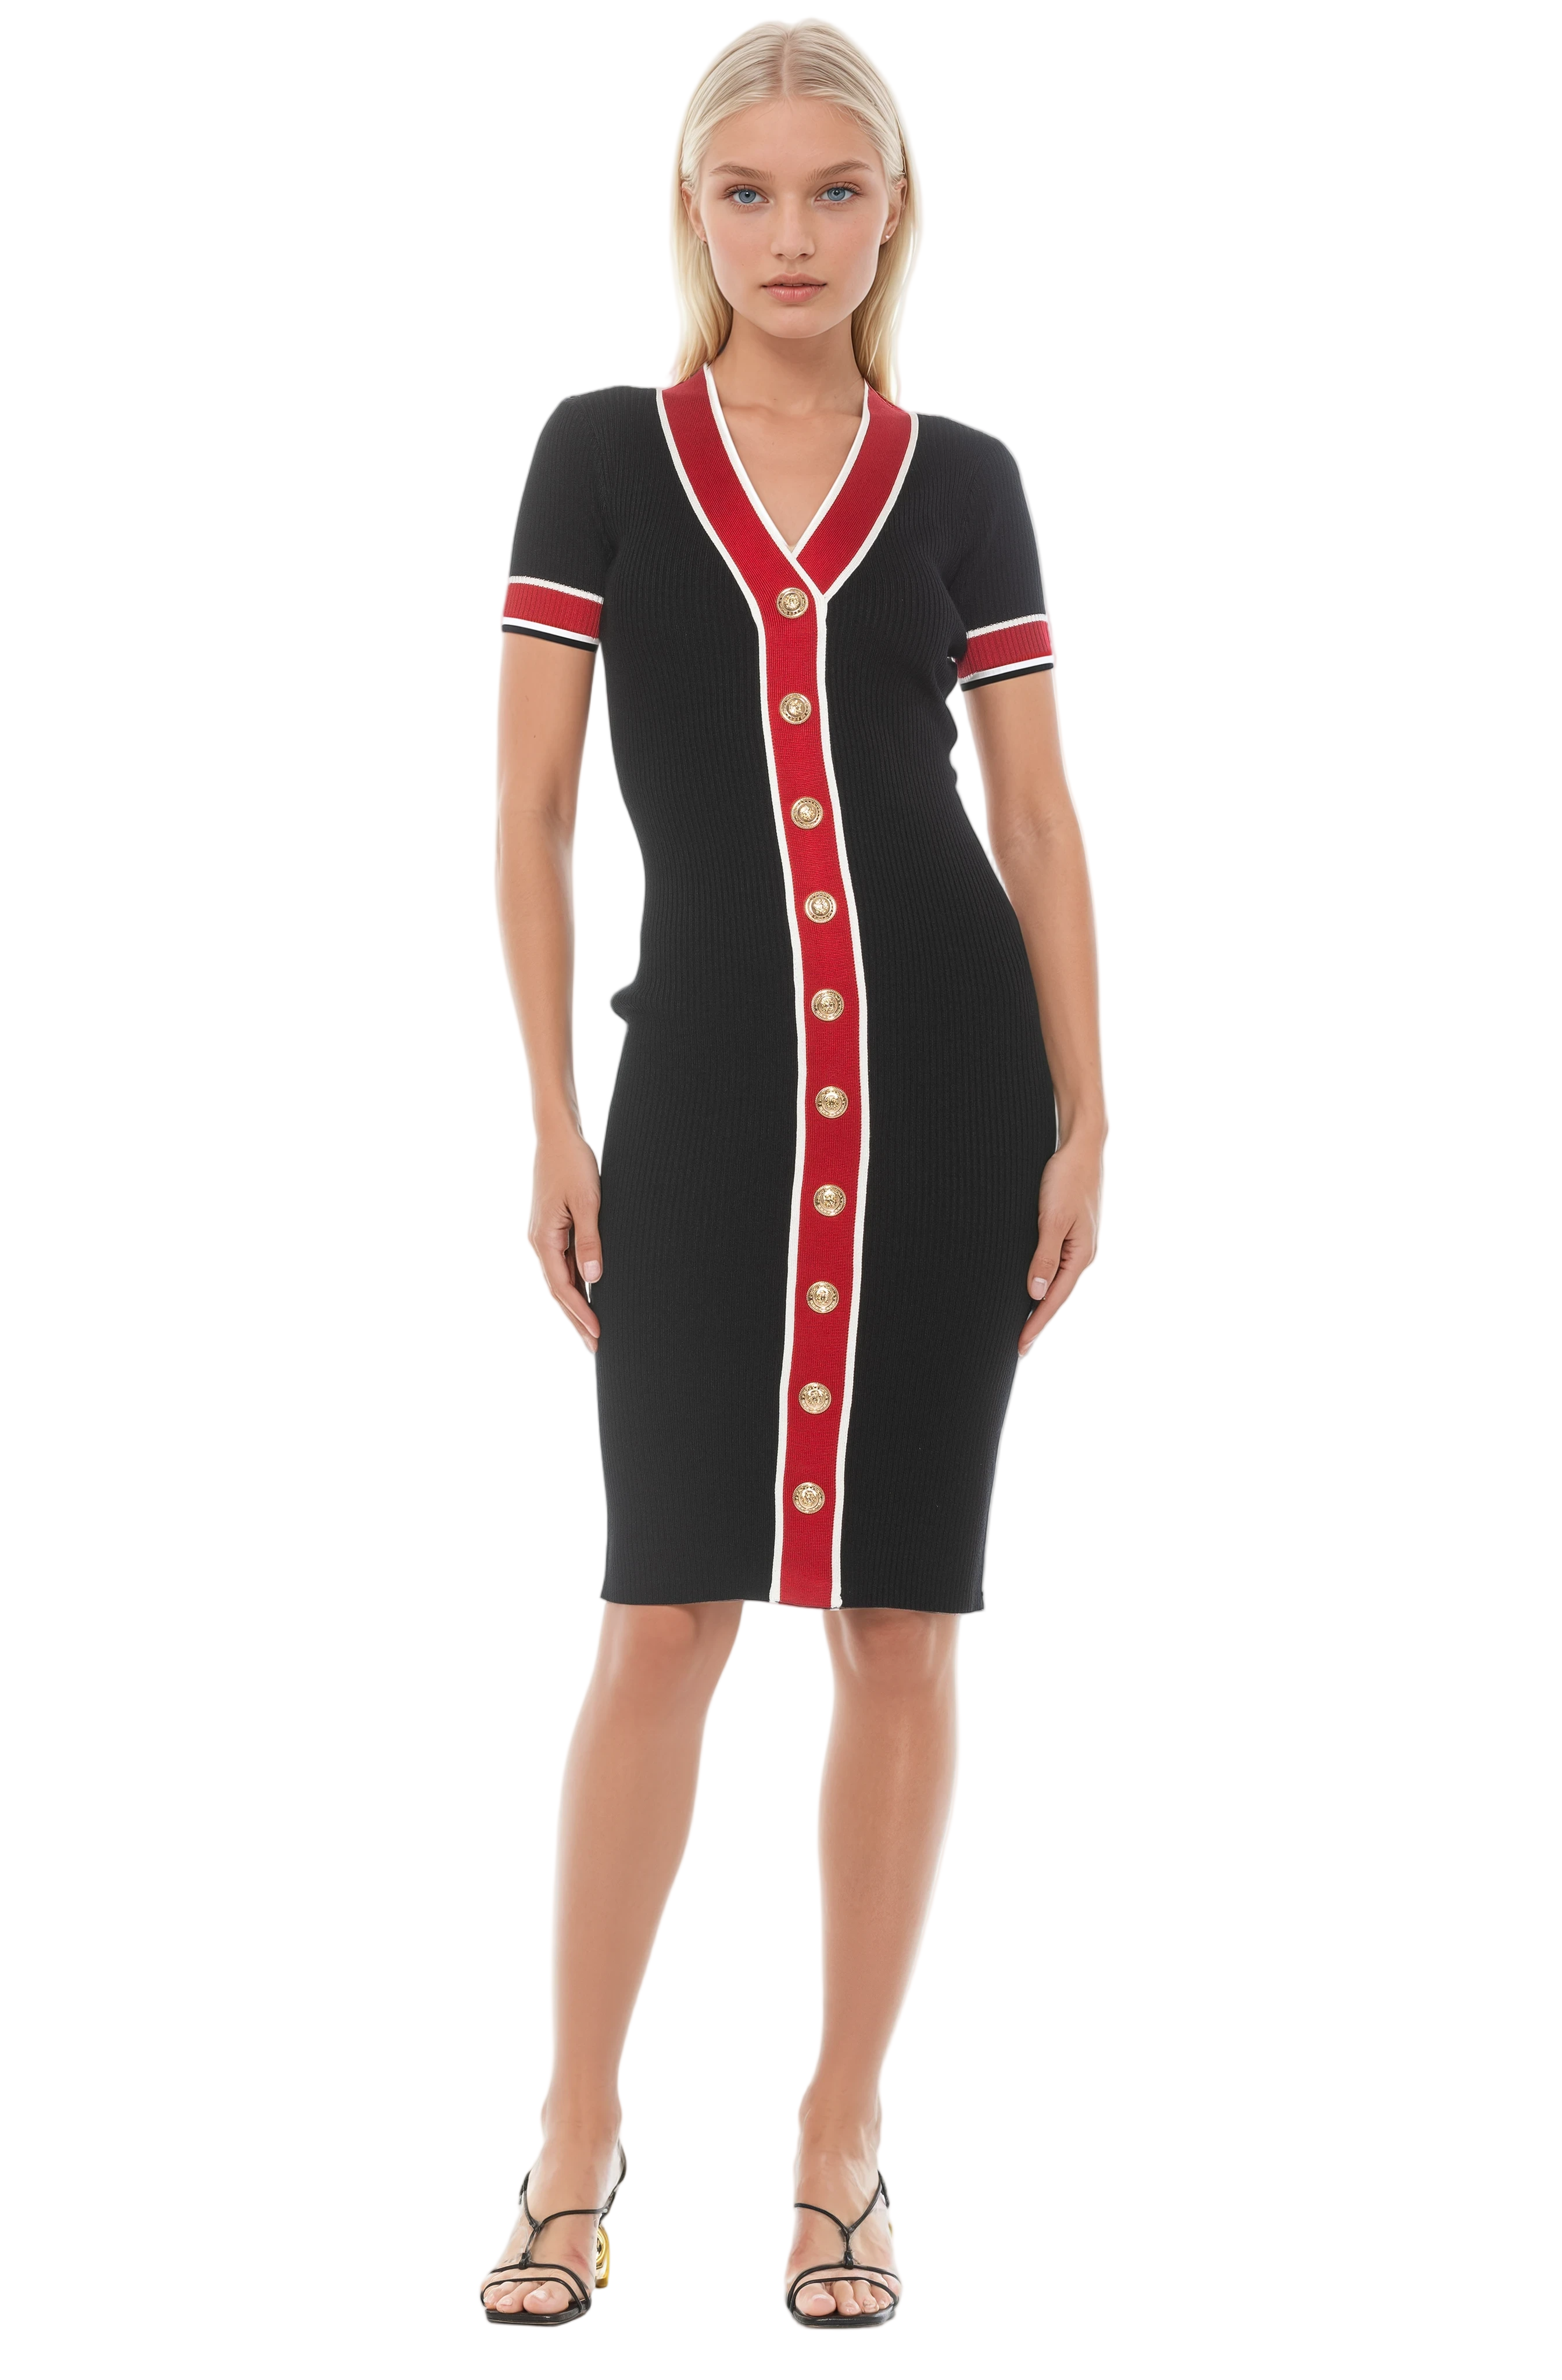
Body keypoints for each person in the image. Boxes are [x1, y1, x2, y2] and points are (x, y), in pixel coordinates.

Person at [479, 18, 1105, 2331]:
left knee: (900, 1619)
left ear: (894, 211)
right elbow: (535, 809)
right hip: (706, 1096)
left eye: (838, 189)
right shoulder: (599, 458)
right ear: (694, 211)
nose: (794, 234)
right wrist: (553, 1112)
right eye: (748, 192)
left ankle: (843, 2137)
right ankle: (574, 2129)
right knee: (664, 1613)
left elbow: (1031, 814)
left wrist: (1089, 1115)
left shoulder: (966, 483)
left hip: (951, 1095)